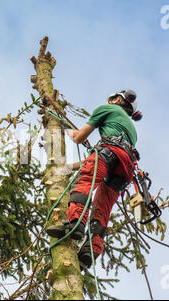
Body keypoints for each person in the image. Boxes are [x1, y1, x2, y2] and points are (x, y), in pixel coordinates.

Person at [46, 89, 142, 269]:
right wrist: (68, 167)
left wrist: (63, 124)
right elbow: (102, 159)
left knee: (85, 183)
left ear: (116, 99)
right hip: (125, 168)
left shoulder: (107, 108)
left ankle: (75, 224)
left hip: (108, 152)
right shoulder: (131, 130)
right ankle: (90, 251)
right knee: (102, 208)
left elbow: (78, 138)